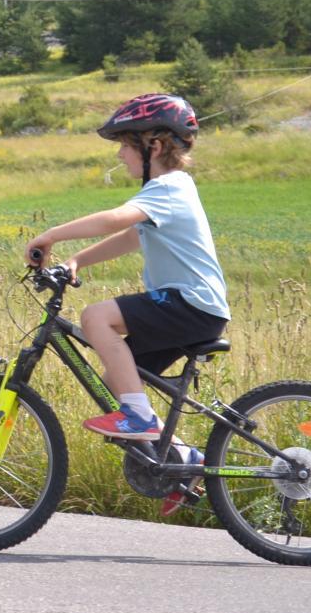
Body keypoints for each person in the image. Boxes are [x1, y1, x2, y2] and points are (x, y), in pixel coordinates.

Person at [25, 93, 228, 442]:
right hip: (194, 310)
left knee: (95, 317)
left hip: (190, 305)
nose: (119, 154)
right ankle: (184, 461)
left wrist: (51, 236)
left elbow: (116, 220)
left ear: (155, 146)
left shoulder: (168, 188)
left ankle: (138, 416)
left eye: (125, 145)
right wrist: (77, 260)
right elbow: (131, 237)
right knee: (113, 386)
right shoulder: (168, 193)